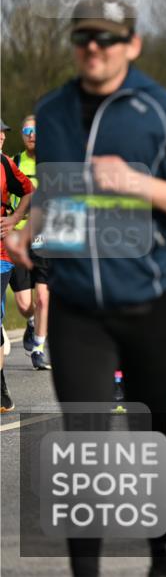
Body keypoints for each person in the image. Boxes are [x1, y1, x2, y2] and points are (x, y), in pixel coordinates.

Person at [4, 0, 166, 576]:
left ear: (132, 45)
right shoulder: (50, 112)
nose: (94, 50)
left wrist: (139, 186)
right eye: (83, 39)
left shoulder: (158, 109)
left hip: (154, 298)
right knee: (83, 443)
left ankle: (164, 552)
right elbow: (57, 190)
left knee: (148, 430)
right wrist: (32, 231)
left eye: (106, 39)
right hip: (78, 305)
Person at [7, 115, 52, 369]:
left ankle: (38, 348)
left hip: (45, 238)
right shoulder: (14, 162)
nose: (31, 135)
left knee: (43, 299)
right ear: (22, 135)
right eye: (26, 130)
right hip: (19, 238)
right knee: (25, 306)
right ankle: (32, 322)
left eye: (36, 131)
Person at [1, 118, 35, 412]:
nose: (1, 138)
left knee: (26, 305)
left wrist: (13, 219)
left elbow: (28, 191)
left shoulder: (5, 165)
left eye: (2, 133)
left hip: (2, 255)